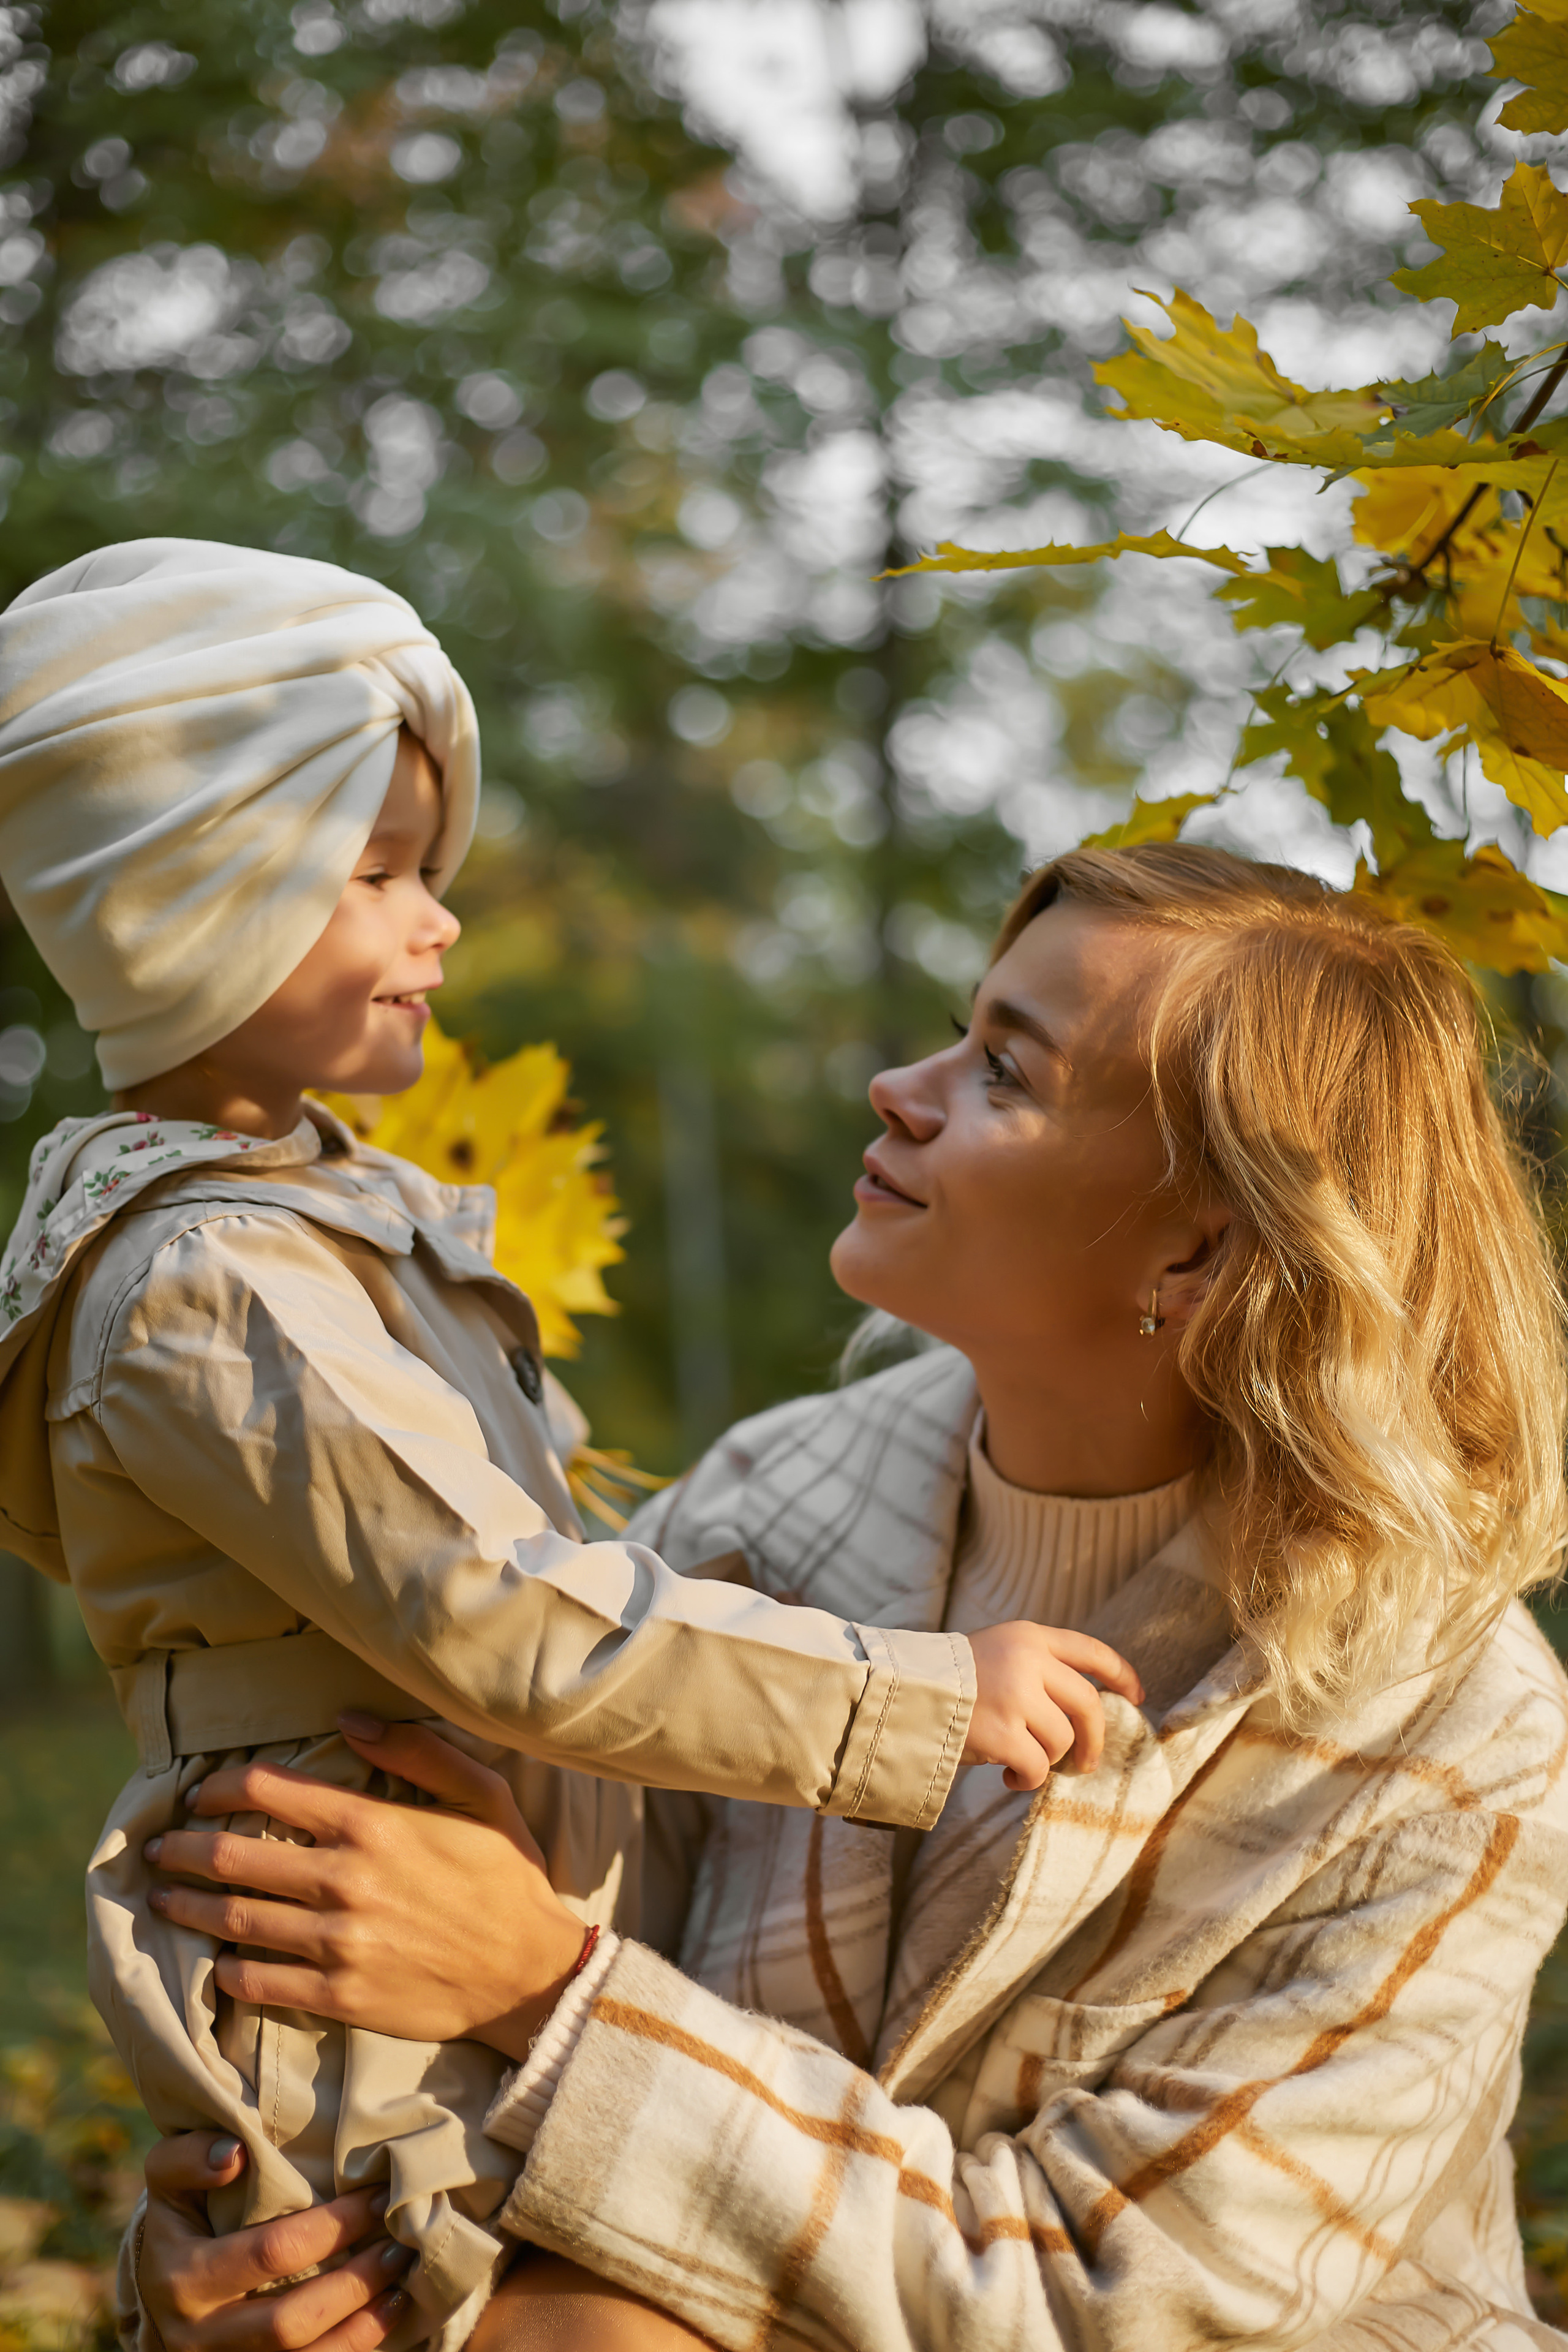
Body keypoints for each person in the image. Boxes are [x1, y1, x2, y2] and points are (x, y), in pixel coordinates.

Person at [135, 843, 1568, 2352]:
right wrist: (275, 2235)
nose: (899, 1084)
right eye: (958, 1031)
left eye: (1005, 1074)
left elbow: (1096, 2306)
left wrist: (548, 1994)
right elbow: (441, 1962)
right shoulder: (766, 1508)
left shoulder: (1454, 1749)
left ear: (1198, 1248)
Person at [0, 538, 1133, 2352]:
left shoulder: (309, 1225)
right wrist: (923, 1701)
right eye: (374, 874)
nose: (438, 917)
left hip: (479, 1932)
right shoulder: (212, 1276)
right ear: (187, 905)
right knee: (376, 2309)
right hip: (336, 1934)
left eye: (424, 867)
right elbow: (501, 1617)